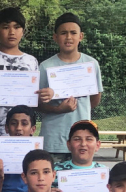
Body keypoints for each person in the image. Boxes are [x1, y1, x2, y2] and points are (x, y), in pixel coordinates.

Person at [0, 8, 51, 140]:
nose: (12, 32)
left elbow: (35, 96)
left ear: (23, 31)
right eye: (6, 27)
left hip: (21, 131)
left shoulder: (31, 61)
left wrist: (47, 94)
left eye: (16, 27)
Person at [37, 13, 103, 159]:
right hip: (53, 140)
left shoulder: (91, 65)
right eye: (63, 33)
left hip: (82, 142)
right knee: (52, 181)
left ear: (81, 36)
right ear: (55, 37)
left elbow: (94, 99)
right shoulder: (45, 67)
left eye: (73, 33)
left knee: (79, 181)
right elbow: (37, 104)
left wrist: (78, 110)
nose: (68, 37)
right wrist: (58, 109)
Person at [52, 120, 107, 192]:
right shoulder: (53, 171)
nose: (83, 144)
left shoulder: (107, 174)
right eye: (77, 139)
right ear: (69, 145)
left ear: (97, 145)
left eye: (89, 139)